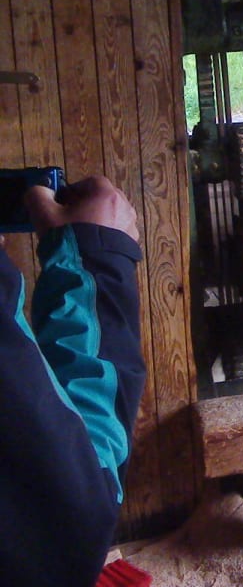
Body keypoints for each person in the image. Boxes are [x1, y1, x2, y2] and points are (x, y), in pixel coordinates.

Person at [0, 176, 146, 587]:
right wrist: (92, 251)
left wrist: (96, 252)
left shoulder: (74, 529)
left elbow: (79, 493)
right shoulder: (66, 532)